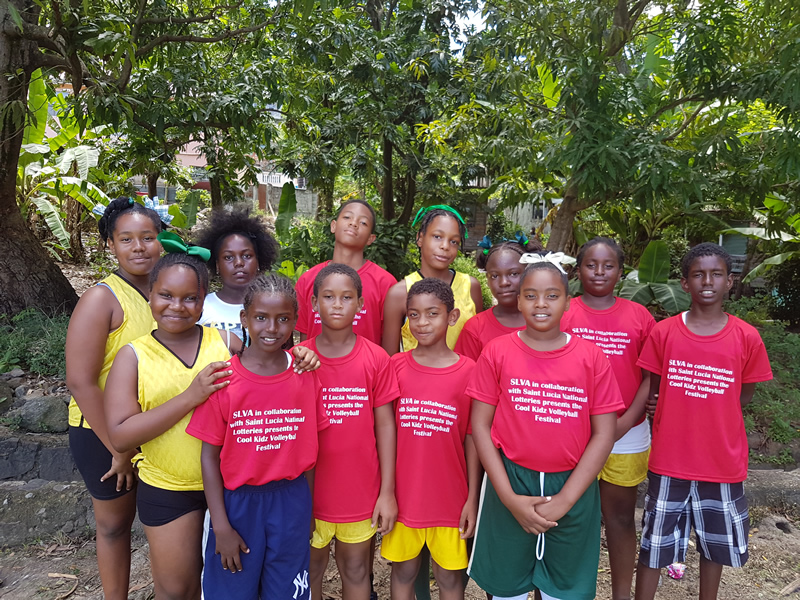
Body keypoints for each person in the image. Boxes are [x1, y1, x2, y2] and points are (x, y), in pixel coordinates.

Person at [105, 240, 320, 599]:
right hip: (177, 487)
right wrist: (191, 396)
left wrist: (301, 355)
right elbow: (120, 435)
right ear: (150, 297)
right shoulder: (134, 356)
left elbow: (266, 363)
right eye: (166, 295)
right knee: (181, 586)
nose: (177, 305)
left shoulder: (224, 343)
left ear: (203, 302)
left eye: (190, 298)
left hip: (241, 490)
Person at [467, 256, 624, 600]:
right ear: (519, 300)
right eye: (531, 295)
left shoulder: (592, 357)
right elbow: (480, 425)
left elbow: (604, 433)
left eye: (552, 295)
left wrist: (566, 499)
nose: (541, 304)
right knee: (507, 588)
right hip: (509, 480)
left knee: (564, 590)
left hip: (573, 485)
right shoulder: (496, 352)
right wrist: (509, 498)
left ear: (568, 303)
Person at [634, 243, 773, 600]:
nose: (707, 281)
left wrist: (711, 407)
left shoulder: (746, 337)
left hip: (721, 462)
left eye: (716, 274)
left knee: (715, 546)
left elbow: (743, 394)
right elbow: (654, 389)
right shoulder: (664, 332)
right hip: (670, 460)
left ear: (730, 282)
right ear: (685, 283)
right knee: (654, 545)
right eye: (698, 274)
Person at [187, 274, 329, 599]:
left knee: (286, 591)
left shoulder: (305, 375)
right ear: (244, 318)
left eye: (283, 319)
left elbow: (311, 453)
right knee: (232, 590)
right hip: (237, 506)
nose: (272, 328)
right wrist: (221, 526)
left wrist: (306, 512)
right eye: (261, 317)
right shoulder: (224, 379)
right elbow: (208, 457)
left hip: (291, 501)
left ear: (295, 320)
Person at [65, 197, 163, 600]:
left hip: (153, 427)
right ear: (110, 244)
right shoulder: (101, 299)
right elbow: (81, 382)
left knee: (163, 523)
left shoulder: (168, 291)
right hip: (101, 431)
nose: (138, 247)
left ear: (161, 240)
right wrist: (118, 448)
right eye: (126, 239)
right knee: (114, 525)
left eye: (147, 237)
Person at [560, 237, 655, 600]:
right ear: (578, 270)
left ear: (620, 271)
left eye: (608, 265)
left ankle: (620, 595)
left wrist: (624, 422)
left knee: (620, 518)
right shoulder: (563, 311)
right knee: (569, 520)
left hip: (626, 433)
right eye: (591, 265)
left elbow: (649, 376)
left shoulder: (639, 316)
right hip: (572, 433)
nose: (599, 272)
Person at [300, 263, 399, 600]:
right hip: (309, 493)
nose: (338, 304)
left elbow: (385, 425)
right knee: (309, 569)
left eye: (347, 297)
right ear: (314, 303)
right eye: (328, 296)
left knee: (356, 569)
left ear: (360, 304)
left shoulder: (376, 359)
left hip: (359, 490)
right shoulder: (299, 360)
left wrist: (387, 492)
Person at [381, 278, 479, 600]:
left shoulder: (469, 371)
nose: (422, 322)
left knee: (449, 578)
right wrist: (387, 493)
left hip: (451, 498)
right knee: (403, 572)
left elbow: (472, 439)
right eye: (414, 315)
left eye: (432, 314)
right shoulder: (395, 366)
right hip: (405, 497)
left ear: (452, 317)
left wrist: (472, 498)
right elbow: (385, 432)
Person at [382, 205, 483, 355]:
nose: (445, 246)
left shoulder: (470, 287)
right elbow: (389, 359)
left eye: (454, 241)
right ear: (420, 238)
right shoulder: (400, 292)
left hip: (466, 370)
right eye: (437, 237)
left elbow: (478, 342)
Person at [295, 199, 396, 345]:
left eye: (363, 223)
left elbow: (388, 348)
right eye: (347, 217)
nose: (353, 223)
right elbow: (304, 342)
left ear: (371, 238)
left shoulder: (385, 283)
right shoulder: (307, 280)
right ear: (333, 226)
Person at [195, 204, 279, 339]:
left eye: (247, 256)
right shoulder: (201, 306)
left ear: (258, 261)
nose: (239, 263)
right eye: (228, 257)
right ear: (217, 265)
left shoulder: (272, 304)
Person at [455, 239, 539, 361]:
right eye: (494, 276)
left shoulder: (553, 320)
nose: (504, 283)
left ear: (530, 273)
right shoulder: (475, 328)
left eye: (513, 274)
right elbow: (466, 370)